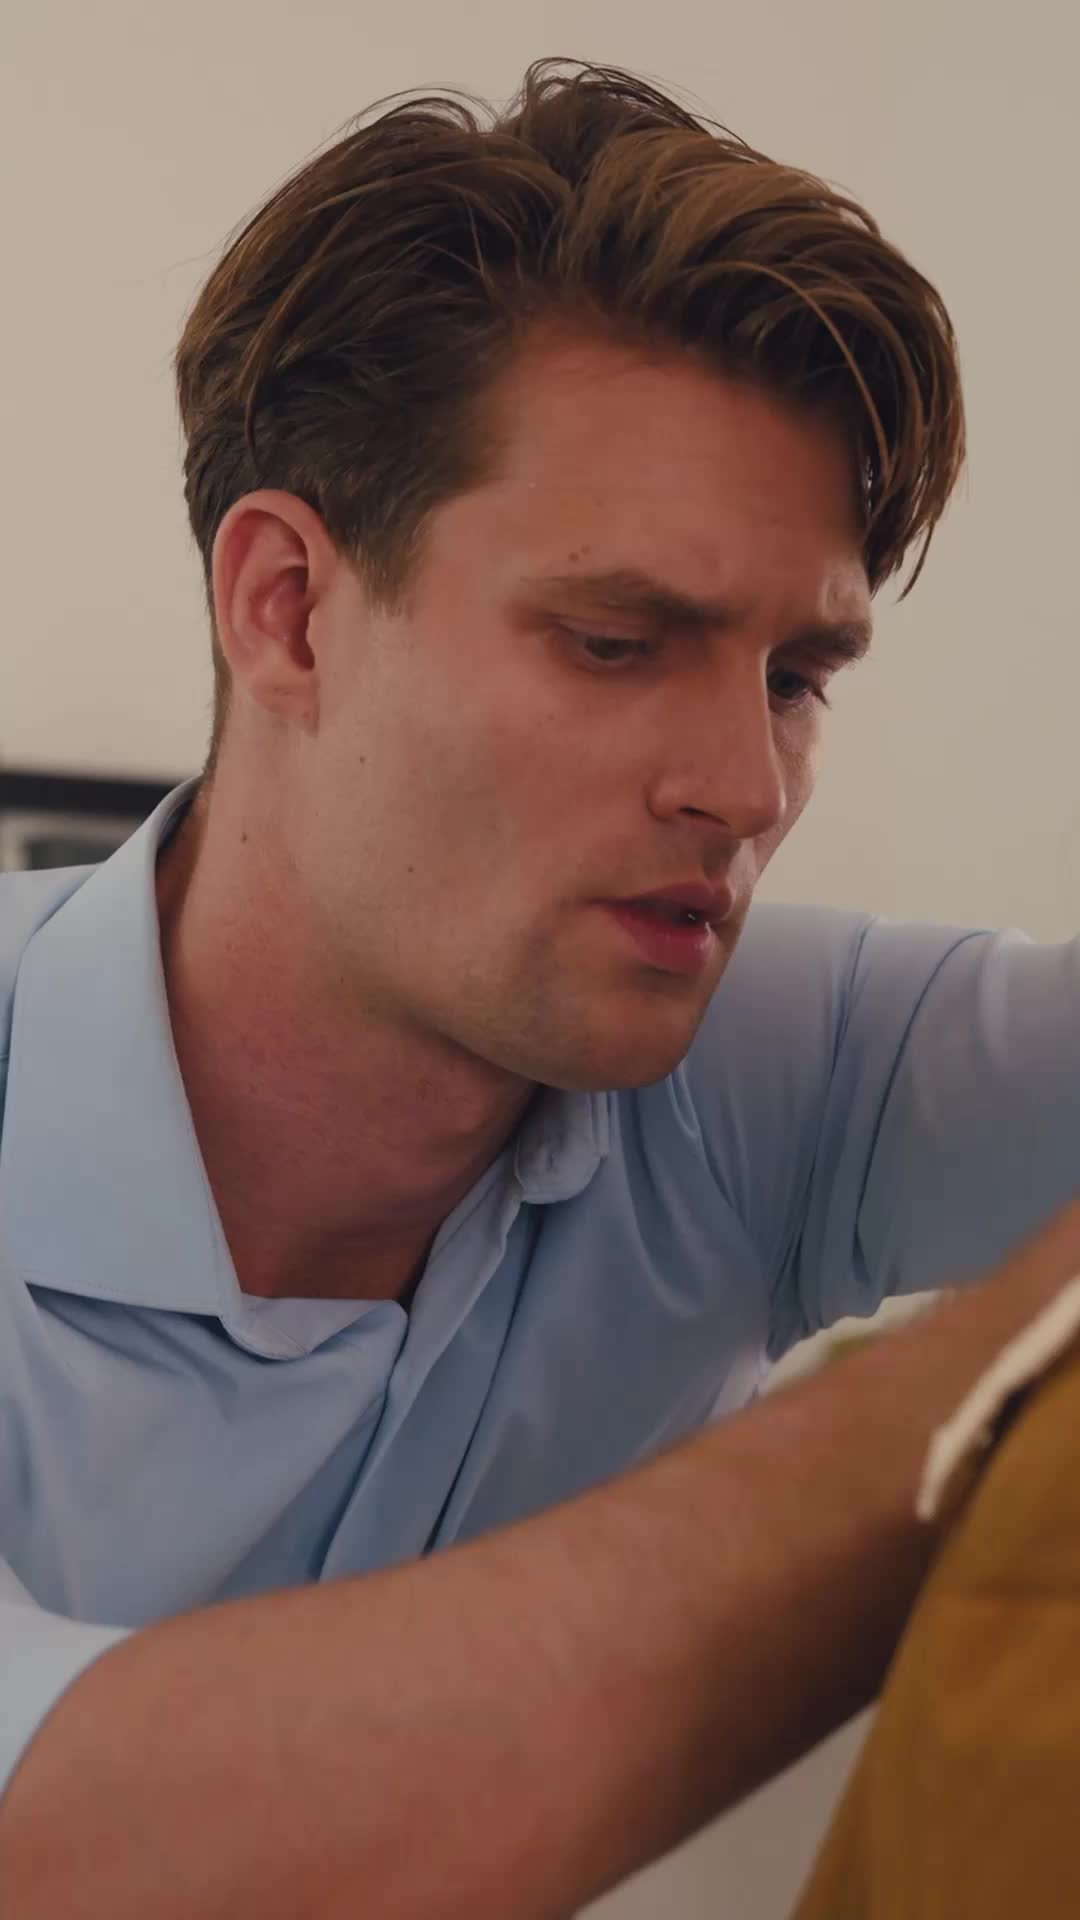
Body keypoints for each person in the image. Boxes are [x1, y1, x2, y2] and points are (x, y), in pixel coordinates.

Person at [1, 56, 1079, 1918]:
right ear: (285, 606)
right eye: (614, 640)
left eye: (796, 678)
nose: (743, 789)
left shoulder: (759, 1066)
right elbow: (70, 1849)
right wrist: (989, 1397)